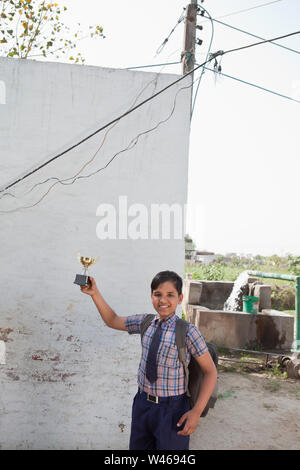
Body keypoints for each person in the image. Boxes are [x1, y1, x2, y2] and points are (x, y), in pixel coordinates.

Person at [80, 270, 217, 450]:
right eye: (157, 294)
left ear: (180, 298)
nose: (163, 300)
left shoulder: (188, 332)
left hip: (173, 410)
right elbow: (112, 320)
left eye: (170, 295)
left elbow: (210, 371)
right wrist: (95, 293)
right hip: (143, 404)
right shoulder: (145, 322)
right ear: (151, 296)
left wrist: (196, 412)